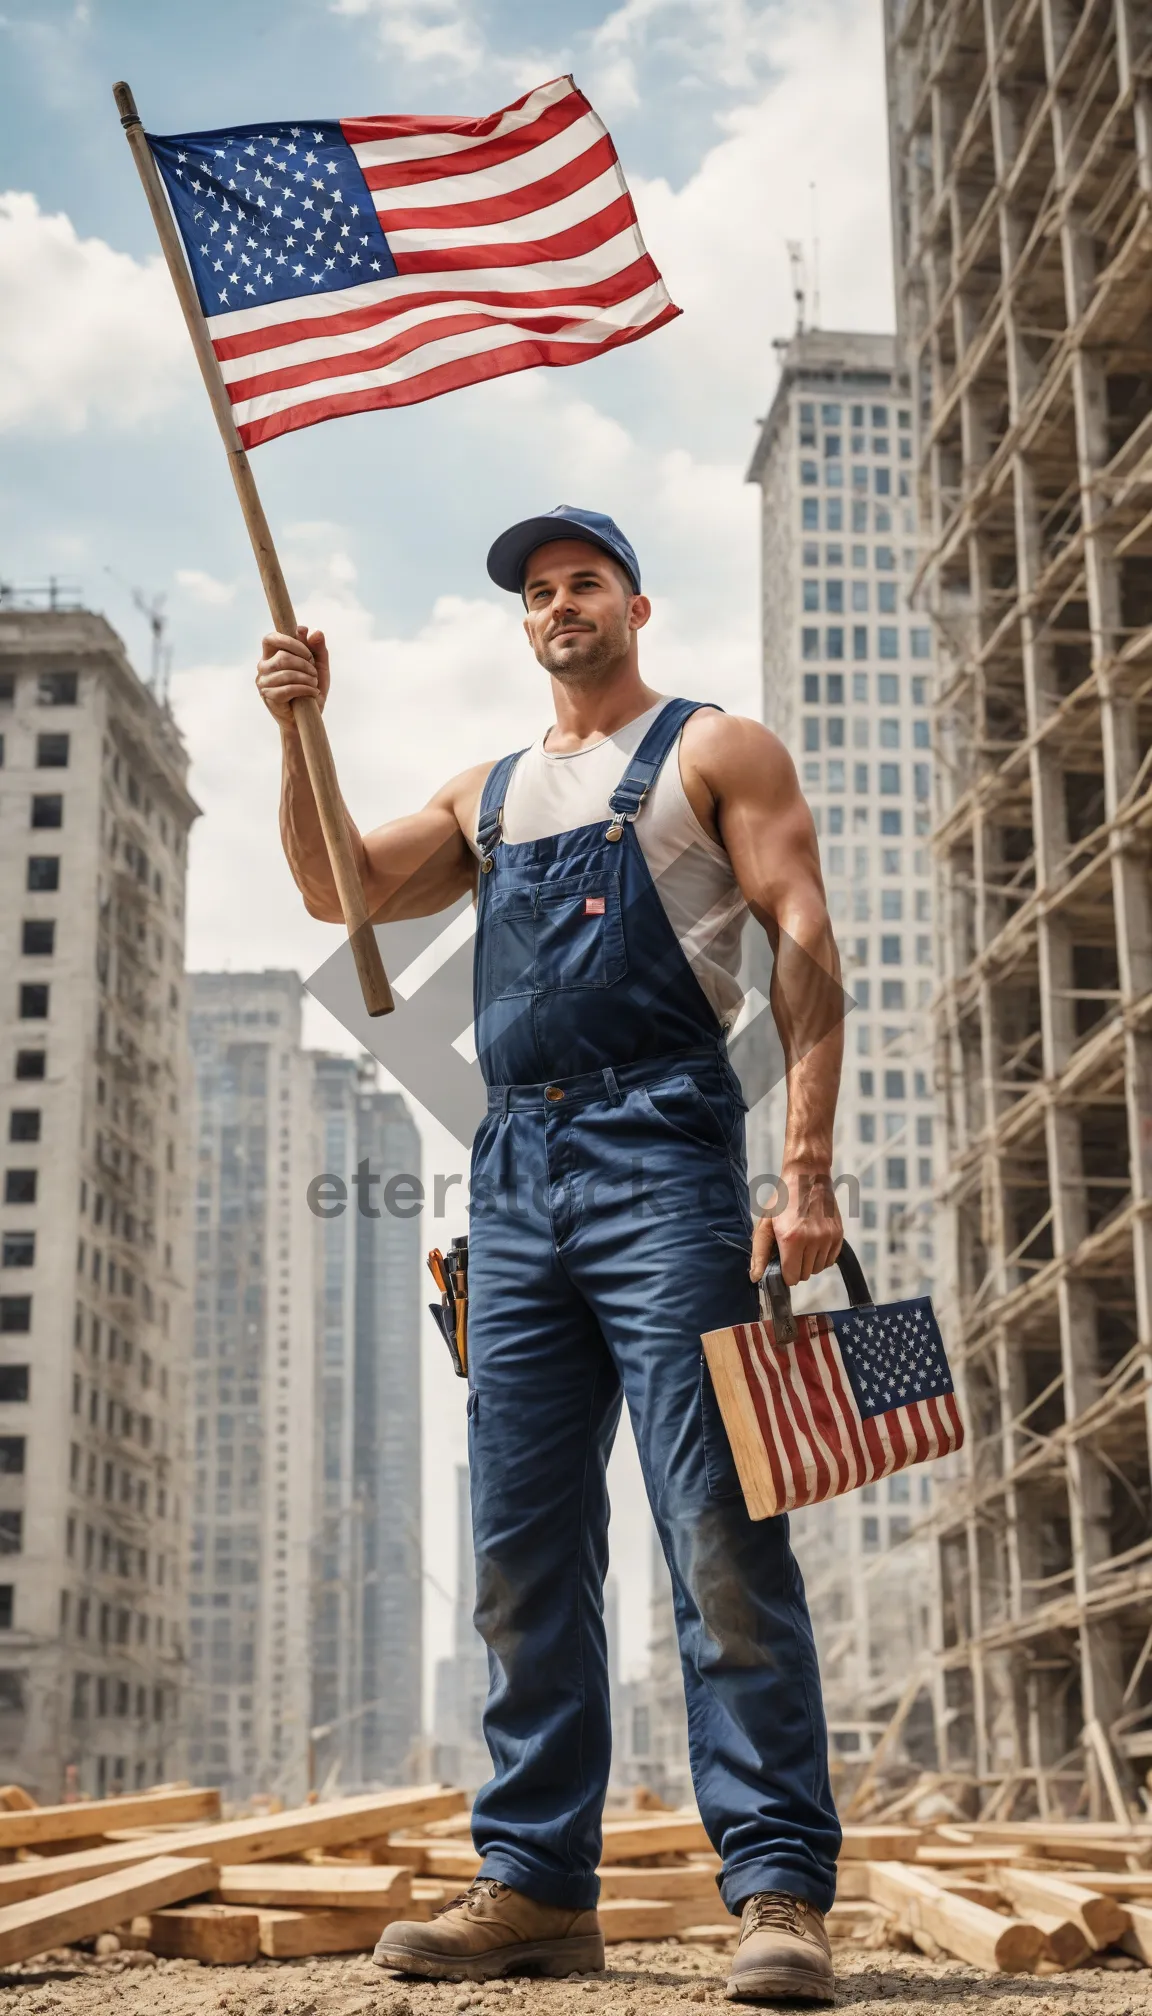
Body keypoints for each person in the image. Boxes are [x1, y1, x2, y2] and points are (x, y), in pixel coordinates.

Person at [257, 505, 846, 2004]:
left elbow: (804, 947)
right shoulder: (489, 793)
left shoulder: (720, 752)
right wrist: (299, 731)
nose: (559, 602)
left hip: (667, 1160)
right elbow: (337, 887)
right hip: (514, 1173)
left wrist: (805, 1175)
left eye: (583, 581)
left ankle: (776, 1889)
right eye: (537, 590)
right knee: (520, 1545)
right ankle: (532, 1888)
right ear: (523, 624)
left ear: (634, 606)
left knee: (720, 1527)